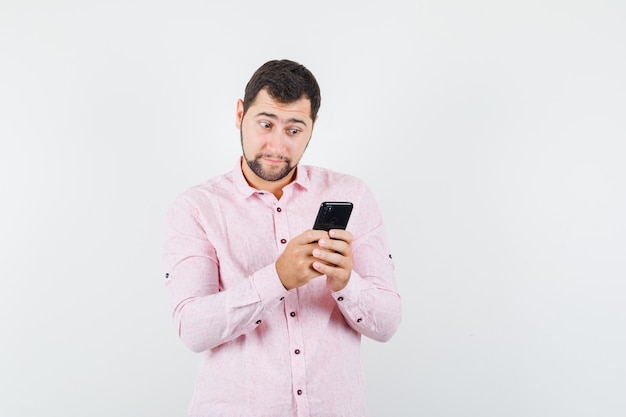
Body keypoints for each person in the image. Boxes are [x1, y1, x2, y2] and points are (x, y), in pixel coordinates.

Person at [162, 59, 402, 417]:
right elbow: (194, 330)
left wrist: (345, 282)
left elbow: (387, 325)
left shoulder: (353, 194)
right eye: (265, 124)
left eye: (293, 129)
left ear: (312, 128)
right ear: (240, 113)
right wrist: (278, 278)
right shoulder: (196, 208)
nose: (276, 144)